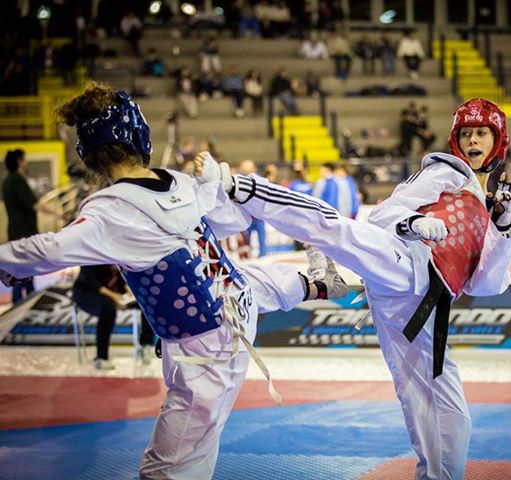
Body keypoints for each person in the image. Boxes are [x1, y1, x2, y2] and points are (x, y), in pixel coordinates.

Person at [0, 82, 348, 479]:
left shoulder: (110, 211)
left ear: (89, 155)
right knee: (254, 279)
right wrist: (215, 184)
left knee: (169, 467)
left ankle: (315, 284)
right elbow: (236, 219)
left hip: (205, 350)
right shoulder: (178, 182)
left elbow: (45, 250)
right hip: (238, 303)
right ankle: (316, 284)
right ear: (139, 134)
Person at [197, 97, 511, 480]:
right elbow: (384, 213)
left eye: (482, 133)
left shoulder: (492, 206)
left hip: (425, 310)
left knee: (444, 410)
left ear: (497, 140)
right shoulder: (446, 173)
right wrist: (413, 224)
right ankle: (239, 187)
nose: (473, 141)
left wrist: (505, 230)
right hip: (404, 261)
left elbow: (487, 284)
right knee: (334, 230)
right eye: (466, 133)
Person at [72, 264, 156, 369]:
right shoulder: (93, 255)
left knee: (145, 302)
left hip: (111, 294)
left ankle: (146, 345)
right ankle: (101, 358)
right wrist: (114, 297)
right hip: (86, 294)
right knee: (108, 308)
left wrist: (130, 291)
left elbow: (120, 278)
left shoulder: (117, 256)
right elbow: (92, 281)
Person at [2, 149, 56, 303]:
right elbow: (35, 204)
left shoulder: (7, 181)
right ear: (19, 161)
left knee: (24, 273)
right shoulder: (17, 180)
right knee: (23, 273)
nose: (27, 163)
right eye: (25, 160)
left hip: (17, 231)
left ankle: (25, 304)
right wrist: (58, 215)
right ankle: (22, 307)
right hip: (23, 233)